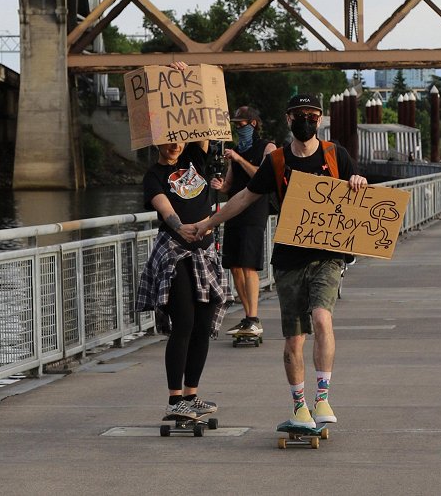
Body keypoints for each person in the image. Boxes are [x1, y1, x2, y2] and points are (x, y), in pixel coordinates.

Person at [194, 93, 368, 428]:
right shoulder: (276, 162)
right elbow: (243, 197)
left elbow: (357, 190)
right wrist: (207, 224)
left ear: (319, 119)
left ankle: (322, 399)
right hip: (289, 258)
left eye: (312, 115)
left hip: (328, 256)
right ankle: (299, 406)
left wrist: (358, 180)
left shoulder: (336, 155)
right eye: (300, 114)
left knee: (322, 319)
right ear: (289, 119)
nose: (306, 120)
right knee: (295, 338)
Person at [135, 61, 231, 420]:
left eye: (178, 137)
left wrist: (184, 80)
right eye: (167, 138)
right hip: (175, 253)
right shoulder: (154, 175)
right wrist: (181, 227)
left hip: (204, 253)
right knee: (185, 322)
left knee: (204, 325)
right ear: (156, 139)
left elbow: (199, 120)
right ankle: (175, 401)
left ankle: (192, 395)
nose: (174, 144)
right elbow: (163, 207)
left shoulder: (195, 159)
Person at [213, 106, 277, 336]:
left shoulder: (267, 147)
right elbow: (229, 186)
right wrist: (220, 186)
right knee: (235, 265)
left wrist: (239, 159)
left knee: (249, 264)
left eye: (242, 124)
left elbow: (263, 176)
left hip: (254, 210)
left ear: (254, 124)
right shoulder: (237, 150)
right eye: (236, 124)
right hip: (233, 210)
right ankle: (248, 316)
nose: (238, 128)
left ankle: (254, 317)